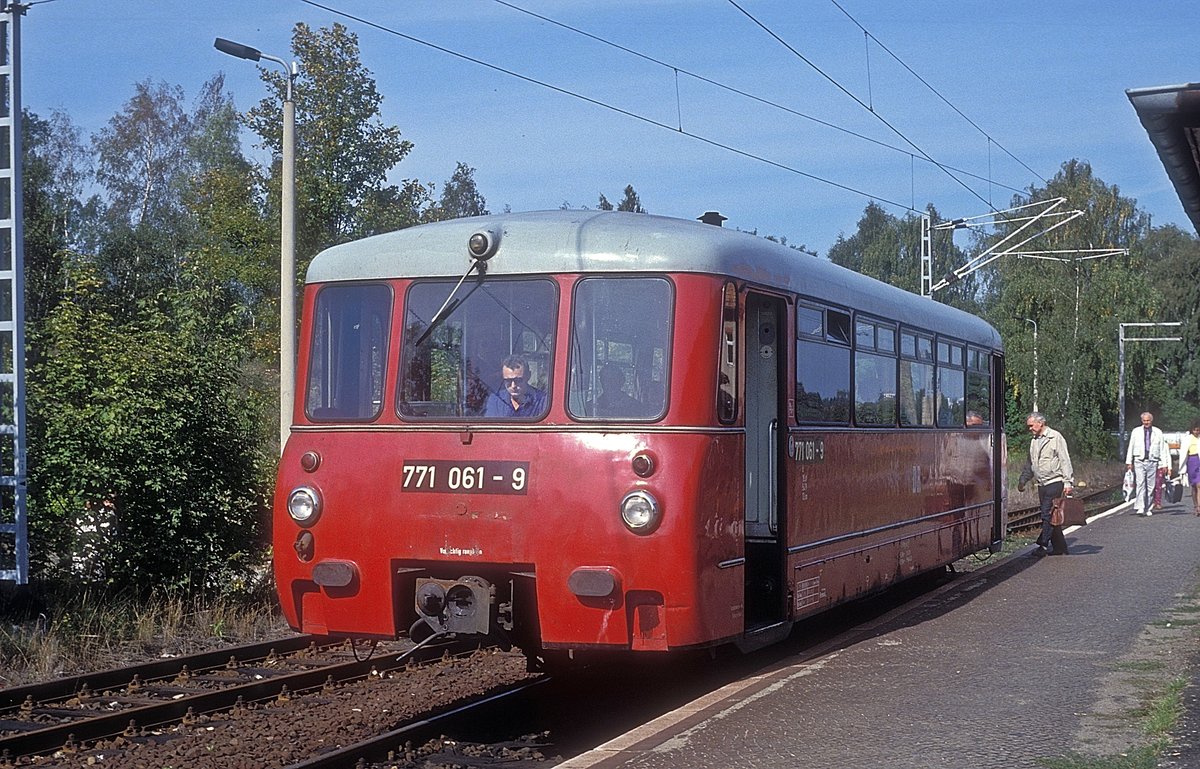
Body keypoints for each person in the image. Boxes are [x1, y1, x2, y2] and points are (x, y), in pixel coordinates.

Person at [1017, 412, 1074, 556]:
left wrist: (1068, 482)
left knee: (1046, 514)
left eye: (1031, 425)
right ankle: (1060, 548)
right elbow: (1031, 463)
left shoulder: (1055, 437)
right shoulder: (1034, 440)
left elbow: (1064, 460)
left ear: (1040, 423)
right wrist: (1023, 480)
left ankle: (1042, 545)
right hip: (1042, 483)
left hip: (1055, 481)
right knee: (1053, 515)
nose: (1029, 428)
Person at [1124, 411, 1170, 516]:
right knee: (1140, 484)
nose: (1146, 422)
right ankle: (1140, 507)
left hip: (1153, 461)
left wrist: (1164, 464)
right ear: (1142, 421)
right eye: (1144, 420)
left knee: (1151, 485)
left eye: (1148, 420)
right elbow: (1131, 446)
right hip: (1139, 460)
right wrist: (1129, 461)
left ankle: (1149, 507)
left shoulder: (1158, 432)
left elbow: (1162, 448)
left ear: (1151, 421)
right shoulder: (1136, 431)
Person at [483, 355, 548, 417]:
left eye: (518, 380)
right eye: (508, 381)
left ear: (528, 376)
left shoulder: (542, 401)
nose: (513, 386)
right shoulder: (496, 401)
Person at [1179, 419, 1200, 516]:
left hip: (1199, 460)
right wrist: (1182, 469)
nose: (1197, 432)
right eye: (1195, 430)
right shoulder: (1187, 439)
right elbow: (1183, 454)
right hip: (1191, 461)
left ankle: (1199, 507)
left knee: (1199, 485)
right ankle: (1195, 505)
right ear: (1192, 430)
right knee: (1194, 486)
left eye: (1198, 430)